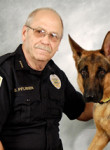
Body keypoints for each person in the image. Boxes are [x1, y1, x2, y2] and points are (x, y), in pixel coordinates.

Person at [0, 8, 94, 150]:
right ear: (25, 33)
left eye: (53, 36)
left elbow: (83, 111)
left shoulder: (56, 75)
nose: (46, 41)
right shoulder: (5, 72)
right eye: (40, 32)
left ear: (58, 44)